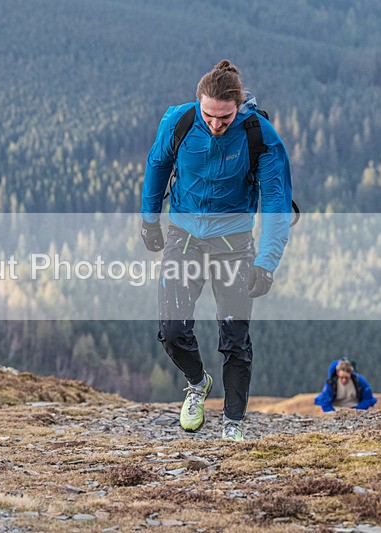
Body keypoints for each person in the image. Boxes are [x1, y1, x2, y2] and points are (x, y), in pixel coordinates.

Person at [140, 60, 293, 442]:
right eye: (208, 114)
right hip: (184, 239)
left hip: (235, 247)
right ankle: (197, 383)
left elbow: (276, 203)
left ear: (238, 107)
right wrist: (149, 219)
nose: (215, 124)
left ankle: (233, 423)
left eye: (224, 117)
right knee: (172, 330)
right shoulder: (178, 121)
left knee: (235, 336)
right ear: (199, 104)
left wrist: (267, 262)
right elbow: (158, 164)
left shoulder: (261, 135)